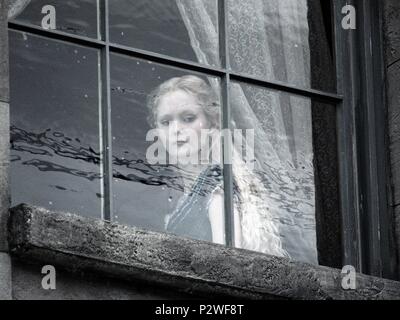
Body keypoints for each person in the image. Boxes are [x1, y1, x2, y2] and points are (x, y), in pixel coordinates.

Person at [146, 75, 289, 258]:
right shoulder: (184, 195)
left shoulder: (214, 185)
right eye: (166, 122)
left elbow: (228, 262)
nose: (176, 130)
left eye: (188, 118)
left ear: (211, 122)